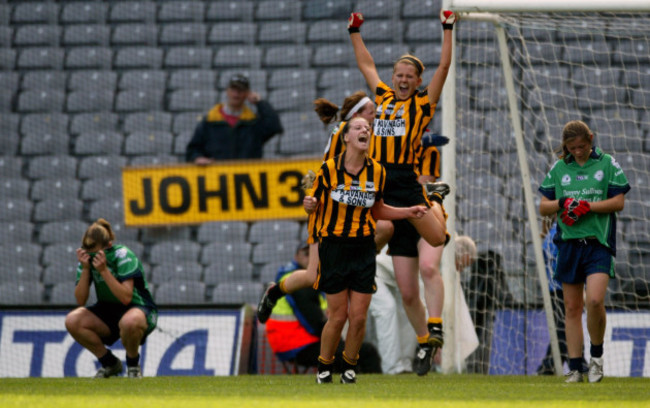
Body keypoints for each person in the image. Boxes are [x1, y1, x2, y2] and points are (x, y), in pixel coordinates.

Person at [347, 9, 456, 375]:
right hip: (382, 186)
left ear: (417, 80)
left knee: (437, 242)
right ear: (393, 78)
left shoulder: (422, 103)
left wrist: (447, 29)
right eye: (400, 75)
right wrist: (354, 32)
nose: (404, 80)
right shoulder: (383, 95)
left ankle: (436, 198)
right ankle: (426, 343)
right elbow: (366, 65)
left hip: (408, 184)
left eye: (410, 76)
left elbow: (443, 68)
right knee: (407, 293)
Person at [304, 116, 427, 383]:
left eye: (368, 128)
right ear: (347, 137)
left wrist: (409, 211)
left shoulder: (378, 171)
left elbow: (378, 209)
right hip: (333, 248)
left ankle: (349, 367)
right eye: (358, 127)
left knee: (359, 318)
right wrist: (309, 205)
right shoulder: (328, 170)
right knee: (338, 316)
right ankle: (324, 366)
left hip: (363, 248)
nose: (365, 130)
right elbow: (312, 202)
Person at [257, 91, 389, 323]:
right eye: (371, 111)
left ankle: (361, 265)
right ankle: (274, 292)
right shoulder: (344, 134)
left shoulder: (363, 135)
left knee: (385, 228)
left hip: (348, 216)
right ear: (356, 115)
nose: (375, 114)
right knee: (313, 274)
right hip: (328, 215)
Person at [538, 120, 630, 383]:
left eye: (582, 146)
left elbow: (619, 202)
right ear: (565, 146)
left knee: (595, 301)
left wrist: (587, 206)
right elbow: (543, 207)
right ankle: (576, 368)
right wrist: (563, 202)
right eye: (572, 147)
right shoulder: (559, 168)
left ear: (591, 138)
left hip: (598, 244)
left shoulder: (607, 163)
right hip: (568, 244)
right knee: (571, 307)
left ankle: (597, 357)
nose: (578, 152)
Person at [265, 242, 382, 374]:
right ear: (296, 256)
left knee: (349, 352)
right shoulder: (300, 282)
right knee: (364, 353)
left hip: (294, 342)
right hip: (299, 344)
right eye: (306, 254)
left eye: (313, 254)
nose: (310, 258)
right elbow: (315, 323)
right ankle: (368, 388)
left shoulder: (298, 279)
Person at [64, 218, 158, 378]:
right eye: (88, 252)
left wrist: (104, 271)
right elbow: (81, 300)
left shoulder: (123, 255)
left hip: (138, 309)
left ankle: (133, 366)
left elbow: (126, 298)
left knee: (129, 322)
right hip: (107, 310)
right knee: (72, 320)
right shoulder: (87, 259)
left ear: (108, 246)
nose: (92, 256)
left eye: (95, 252)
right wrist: (86, 269)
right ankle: (110, 363)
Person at [185, 73, 283, 163]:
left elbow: (274, 126)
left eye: (241, 90)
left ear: (247, 94)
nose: (236, 94)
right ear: (227, 91)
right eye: (233, 90)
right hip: (217, 178)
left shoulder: (253, 123)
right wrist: (197, 158)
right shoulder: (210, 121)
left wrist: (260, 102)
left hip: (247, 177)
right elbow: (192, 150)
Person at [536, 219, 589, 376]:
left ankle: (551, 365)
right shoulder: (559, 233)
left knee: (563, 326)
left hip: (556, 288)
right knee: (564, 327)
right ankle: (553, 364)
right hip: (563, 287)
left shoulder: (551, 235)